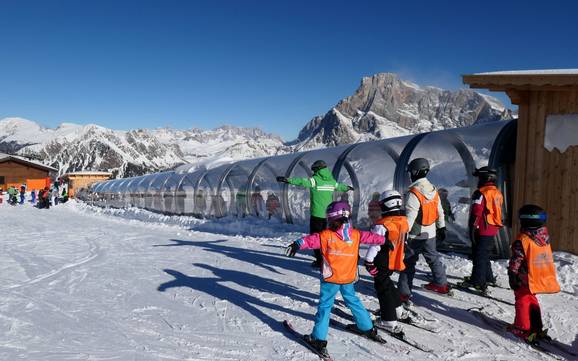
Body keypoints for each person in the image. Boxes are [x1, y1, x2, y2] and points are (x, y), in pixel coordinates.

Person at [285, 201, 385, 357]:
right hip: (347, 277)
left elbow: (310, 240)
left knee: (325, 306)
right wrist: (386, 241)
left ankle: (318, 339)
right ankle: (367, 327)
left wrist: (297, 244)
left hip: (331, 279)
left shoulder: (326, 235)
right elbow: (373, 238)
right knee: (353, 300)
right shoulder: (356, 234)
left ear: (331, 219)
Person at [277, 160, 353, 268]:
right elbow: (340, 186)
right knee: (328, 238)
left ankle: (319, 261)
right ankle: (329, 258)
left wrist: (287, 180)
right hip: (329, 217)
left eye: (314, 170)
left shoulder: (315, 180)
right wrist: (347, 188)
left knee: (316, 237)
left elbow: (301, 182)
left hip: (317, 215)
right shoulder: (331, 181)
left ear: (317, 170)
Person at [398, 158, 449, 302]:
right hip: (430, 232)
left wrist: (402, 234)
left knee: (408, 263)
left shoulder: (414, 192)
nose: (410, 175)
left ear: (415, 172)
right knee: (433, 258)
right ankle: (441, 284)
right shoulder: (433, 189)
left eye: (411, 172)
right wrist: (442, 226)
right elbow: (439, 210)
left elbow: (410, 216)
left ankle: (404, 292)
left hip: (415, 234)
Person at [508, 204, 560, 343]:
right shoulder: (543, 237)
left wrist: (512, 274)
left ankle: (522, 327)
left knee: (522, 300)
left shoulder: (523, 240)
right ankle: (536, 326)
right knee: (532, 300)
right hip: (539, 275)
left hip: (525, 276)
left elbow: (517, 259)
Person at [364, 190, 409, 336]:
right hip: (394, 259)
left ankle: (389, 320)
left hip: (381, 259)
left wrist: (369, 261)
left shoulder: (382, 225)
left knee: (382, 288)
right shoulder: (403, 220)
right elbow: (405, 240)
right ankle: (398, 309)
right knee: (387, 283)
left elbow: (375, 245)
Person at [457, 167, 504, 293]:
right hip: (492, 227)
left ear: (485, 178)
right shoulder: (497, 192)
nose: (478, 180)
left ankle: (478, 282)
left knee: (478, 255)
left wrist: (472, 227)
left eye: (479, 177)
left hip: (483, 227)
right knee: (484, 254)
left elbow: (476, 212)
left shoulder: (481, 193)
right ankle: (487, 277)